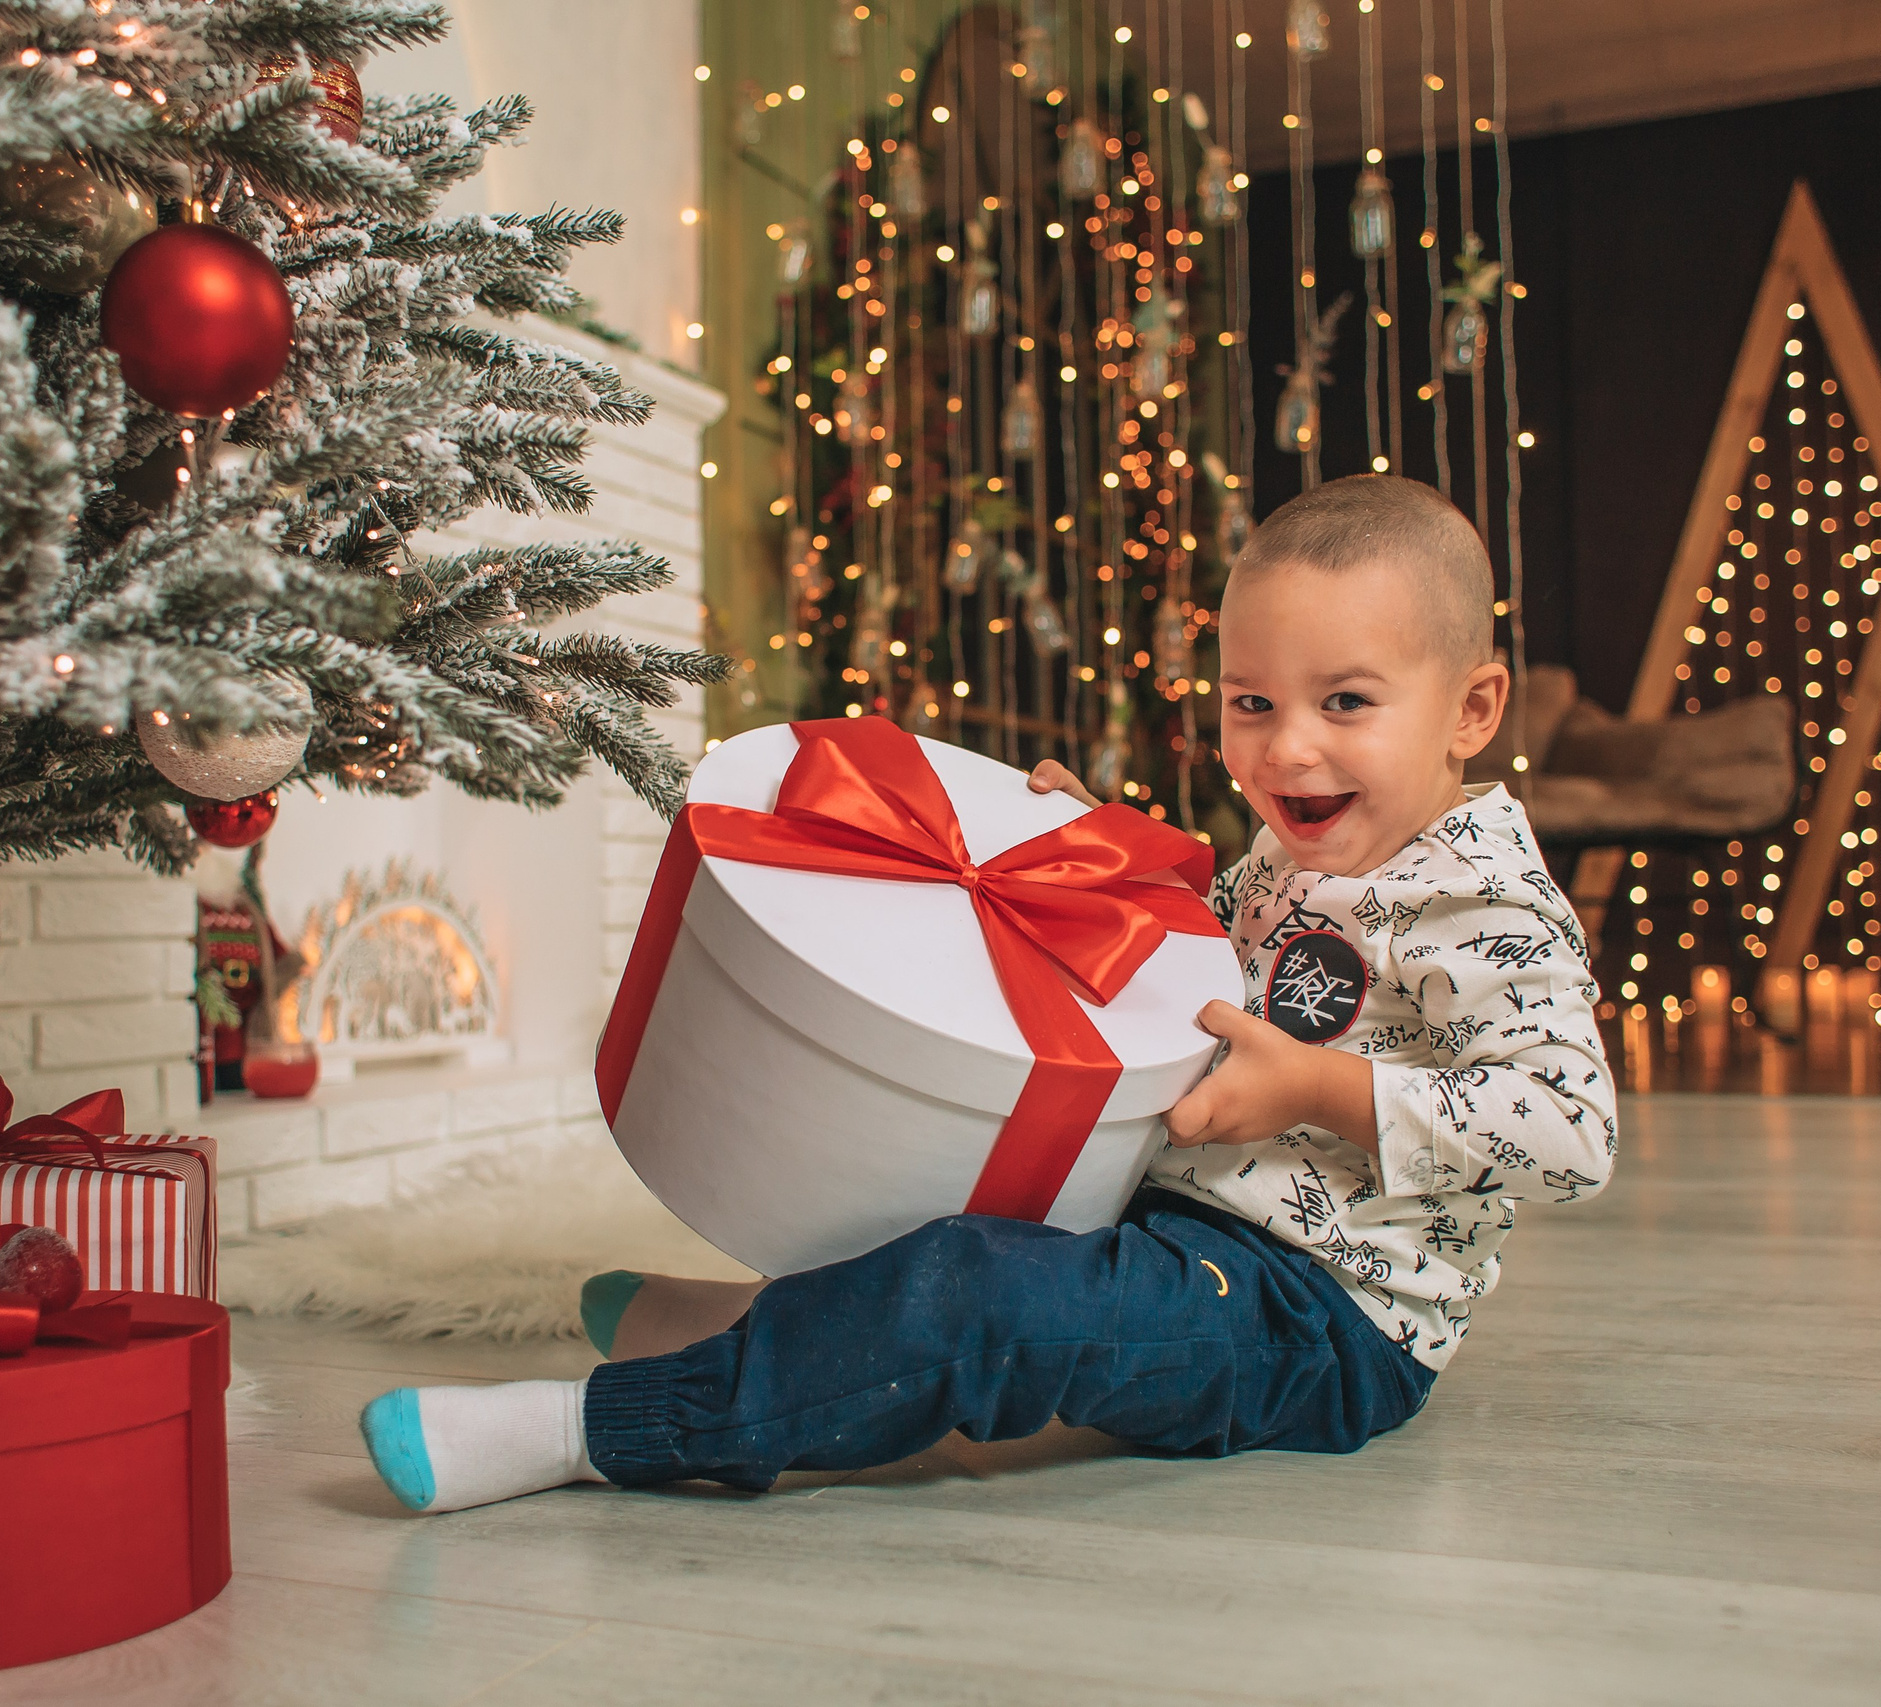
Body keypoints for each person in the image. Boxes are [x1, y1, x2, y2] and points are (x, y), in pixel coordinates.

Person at [358, 474, 1618, 1512]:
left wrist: (1320, 1090)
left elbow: (1572, 1134)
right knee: (956, 1174)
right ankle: (775, 1329)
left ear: (1471, 709)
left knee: (983, 1302)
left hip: (1319, 1316)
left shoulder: (1483, 906)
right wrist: (1107, 852)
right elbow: (1200, 941)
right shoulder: (1309, 846)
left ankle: (602, 1429)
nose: (1287, 747)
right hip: (1174, 1216)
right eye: (1252, 703)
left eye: (1344, 703)